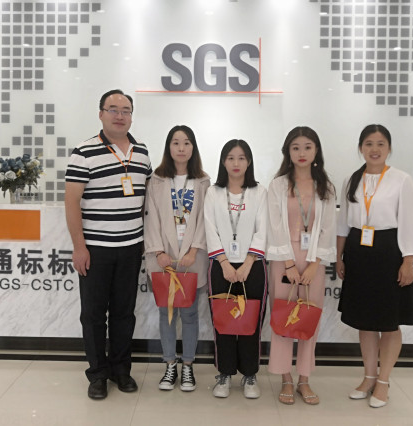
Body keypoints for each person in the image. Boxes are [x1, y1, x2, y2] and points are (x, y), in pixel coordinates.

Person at [64, 89, 152, 400]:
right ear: (101, 113)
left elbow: (146, 201)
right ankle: (97, 374)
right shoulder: (84, 152)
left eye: (125, 110)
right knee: (93, 315)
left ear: (131, 116)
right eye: (113, 109)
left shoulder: (142, 153)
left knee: (124, 313)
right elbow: (71, 202)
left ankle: (121, 370)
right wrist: (79, 247)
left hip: (131, 247)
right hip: (96, 249)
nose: (119, 115)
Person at [336, 124, 413, 408]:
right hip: (358, 251)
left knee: (389, 321)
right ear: (361, 148)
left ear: (389, 148)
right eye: (369, 143)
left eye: (380, 143)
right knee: (365, 320)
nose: (374, 149)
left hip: (389, 252)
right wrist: (339, 256)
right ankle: (369, 377)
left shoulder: (401, 180)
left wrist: (408, 260)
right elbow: (343, 223)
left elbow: (409, 223)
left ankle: (383, 381)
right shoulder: (351, 179)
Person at [266, 126, 337, 405]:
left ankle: (304, 380)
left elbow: (328, 227)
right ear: (288, 152)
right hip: (283, 259)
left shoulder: (325, 187)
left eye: (308, 147)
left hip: (313, 261)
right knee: (284, 317)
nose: (302, 153)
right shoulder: (278, 185)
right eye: (295, 147)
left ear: (316, 150)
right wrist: (288, 263)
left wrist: (314, 264)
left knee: (309, 318)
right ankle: (285, 378)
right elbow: (274, 225)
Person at [144, 125, 210, 392]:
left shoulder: (203, 181)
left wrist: (194, 249)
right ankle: (170, 364)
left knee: (190, 314)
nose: (181, 148)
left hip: (192, 258)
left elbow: (206, 219)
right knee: (167, 314)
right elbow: (150, 218)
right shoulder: (157, 180)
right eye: (175, 142)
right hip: (163, 259)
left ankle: (188, 366)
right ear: (168, 147)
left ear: (193, 147)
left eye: (186, 143)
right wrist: (158, 251)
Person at [204, 139, 268, 399]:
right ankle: (225, 373)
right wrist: (224, 263)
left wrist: (248, 263)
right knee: (224, 322)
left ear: (249, 162)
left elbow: (263, 229)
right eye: (231, 158)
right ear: (223, 161)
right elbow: (210, 228)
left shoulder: (259, 192)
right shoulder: (213, 192)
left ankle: (250, 374)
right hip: (221, 265)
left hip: (253, 266)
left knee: (251, 323)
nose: (236, 163)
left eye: (241, 158)